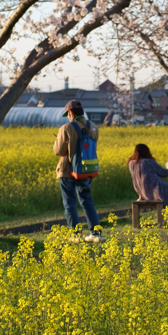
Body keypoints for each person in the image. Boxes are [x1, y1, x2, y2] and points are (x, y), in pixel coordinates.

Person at [54, 100, 103, 242]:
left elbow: (59, 151)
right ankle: (96, 234)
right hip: (86, 168)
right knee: (87, 201)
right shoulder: (93, 127)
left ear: (70, 113)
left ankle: (76, 235)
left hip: (68, 170)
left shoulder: (67, 127)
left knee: (69, 203)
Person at [128, 144, 168, 212]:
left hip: (143, 194)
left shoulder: (131, 164)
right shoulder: (148, 162)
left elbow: (137, 180)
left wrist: (141, 195)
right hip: (157, 192)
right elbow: (165, 173)